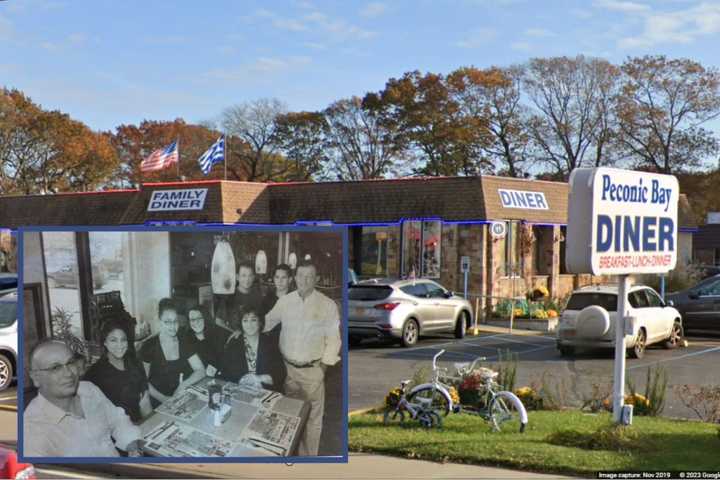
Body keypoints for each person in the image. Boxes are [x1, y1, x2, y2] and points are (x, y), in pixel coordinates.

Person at [264, 260, 341, 456]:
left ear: (317, 279)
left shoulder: (327, 305)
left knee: (311, 424)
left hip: (312, 372)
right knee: (286, 420)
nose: (304, 280)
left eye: (309, 276)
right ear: (295, 278)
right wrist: (242, 330)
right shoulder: (285, 302)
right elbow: (266, 323)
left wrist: (321, 370)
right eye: (300, 276)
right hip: (287, 369)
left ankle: (307, 466)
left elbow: (334, 341)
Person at [24, 340, 142, 457]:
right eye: (55, 368)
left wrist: (131, 443)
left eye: (70, 363)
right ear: (36, 378)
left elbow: (117, 420)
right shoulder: (32, 431)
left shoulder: (88, 389)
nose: (69, 373)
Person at [139, 298, 205, 407]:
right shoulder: (149, 345)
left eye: (175, 321)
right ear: (159, 321)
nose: (173, 326)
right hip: (158, 400)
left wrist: (182, 387)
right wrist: (165, 399)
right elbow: (143, 381)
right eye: (168, 322)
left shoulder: (183, 340)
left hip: (180, 397)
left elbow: (201, 370)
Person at [83, 320, 151, 422]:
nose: (120, 345)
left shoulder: (136, 364)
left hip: (139, 425)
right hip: (114, 432)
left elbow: (145, 402)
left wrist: (150, 425)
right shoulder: (94, 373)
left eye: (123, 340)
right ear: (105, 342)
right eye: (113, 340)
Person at [219, 308, 285, 392]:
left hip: (266, 391)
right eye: (245, 321)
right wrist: (241, 380)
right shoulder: (234, 343)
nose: (249, 325)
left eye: (253, 320)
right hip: (240, 390)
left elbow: (281, 373)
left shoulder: (269, 342)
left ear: (260, 322)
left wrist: (259, 378)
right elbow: (225, 371)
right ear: (241, 323)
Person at [181, 304, 228, 378]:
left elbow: (223, 360)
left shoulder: (216, 335)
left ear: (205, 318)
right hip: (195, 380)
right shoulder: (187, 339)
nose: (196, 322)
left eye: (199, 318)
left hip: (217, 379)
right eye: (192, 320)